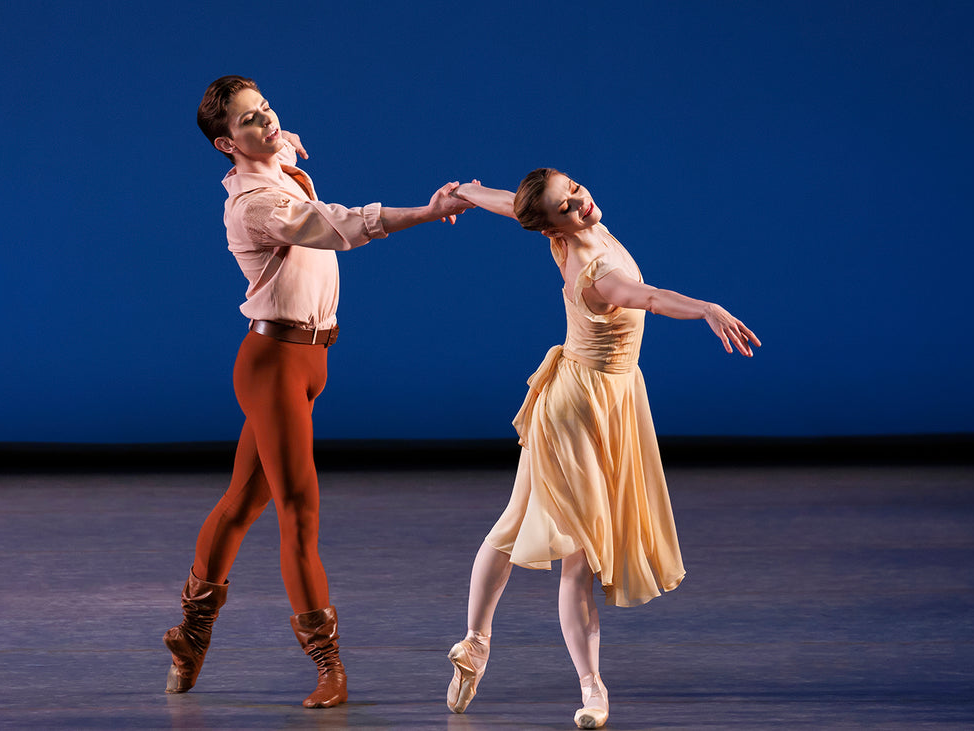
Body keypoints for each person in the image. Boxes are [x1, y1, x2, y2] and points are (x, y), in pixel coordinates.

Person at [162, 75, 472, 709]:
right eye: (249, 122)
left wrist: (278, 146)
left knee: (243, 504)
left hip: (307, 361)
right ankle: (329, 665)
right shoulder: (254, 203)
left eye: (267, 109)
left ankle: (190, 636)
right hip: (274, 363)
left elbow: (279, 152)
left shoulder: (273, 165)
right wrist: (428, 211)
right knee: (298, 511)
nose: (268, 122)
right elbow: (337, 227)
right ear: (225, 143)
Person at [444, 170, 760, 729]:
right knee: (580, 554)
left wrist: (464, 192)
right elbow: (652, 298)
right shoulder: (597, 272)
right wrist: (707, 307)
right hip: (578, 412)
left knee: (518, 520)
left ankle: (474, 641)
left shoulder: (569, 231)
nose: (581, 203)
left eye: (576, 191)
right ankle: (592, 689)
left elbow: (506, 203)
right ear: (550, 224)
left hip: (599, 399)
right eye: (566, 206)